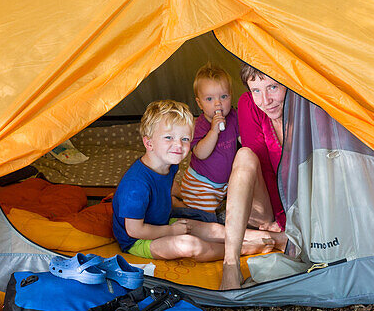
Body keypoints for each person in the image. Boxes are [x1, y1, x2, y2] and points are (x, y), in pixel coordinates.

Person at [111, 100, 281, 289]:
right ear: (148, 142)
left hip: (160, 223)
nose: (178, 145)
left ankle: (271, 237)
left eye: (184, 139)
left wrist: (180, 203)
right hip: (138, 240)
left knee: (212, 229)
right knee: (190, 245)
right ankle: (244, 249)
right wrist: (170, 231)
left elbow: (168, 187)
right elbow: (134, 230)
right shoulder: (136, 186)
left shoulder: (169, 165)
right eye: (169, 138)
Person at [178, 64, 240, 214]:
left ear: (231, 95)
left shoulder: (234, 116)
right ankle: (178, 206)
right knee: (205, 217)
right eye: (210, 99)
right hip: (201, 184)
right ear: (199, 103)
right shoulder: (199, 125)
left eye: (224, 97)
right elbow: (200, 153)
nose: (218, 103)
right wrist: (214, 131)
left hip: (222, 185)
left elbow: (242, 138)